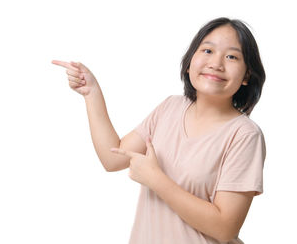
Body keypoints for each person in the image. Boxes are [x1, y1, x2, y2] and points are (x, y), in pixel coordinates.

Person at [52, 17, 266, 244]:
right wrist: (91, 93)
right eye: (207, 50)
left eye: (232, 56)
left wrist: (155, 179)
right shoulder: (170, 108)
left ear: (246, 76)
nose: (216, 63)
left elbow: (224, 228)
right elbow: (112, 158)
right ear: (189, 62)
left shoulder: (244, 135)